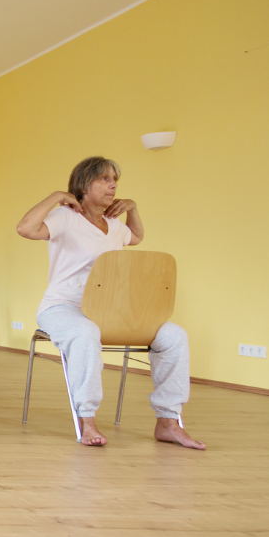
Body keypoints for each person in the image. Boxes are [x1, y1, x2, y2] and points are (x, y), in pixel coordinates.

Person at [16, 156, 204, 450]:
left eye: (114, 179)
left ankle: (168, 422)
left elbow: (137, 237)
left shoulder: (114, 224)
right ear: (83, 184)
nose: (113, 184)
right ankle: (86, 418)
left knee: (175, 336)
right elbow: (25, 229)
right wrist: (56, 197)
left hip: (110, 311)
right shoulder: (66, 217)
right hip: (64, 307)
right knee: (84, 333)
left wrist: (133, 209)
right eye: (104, 179)